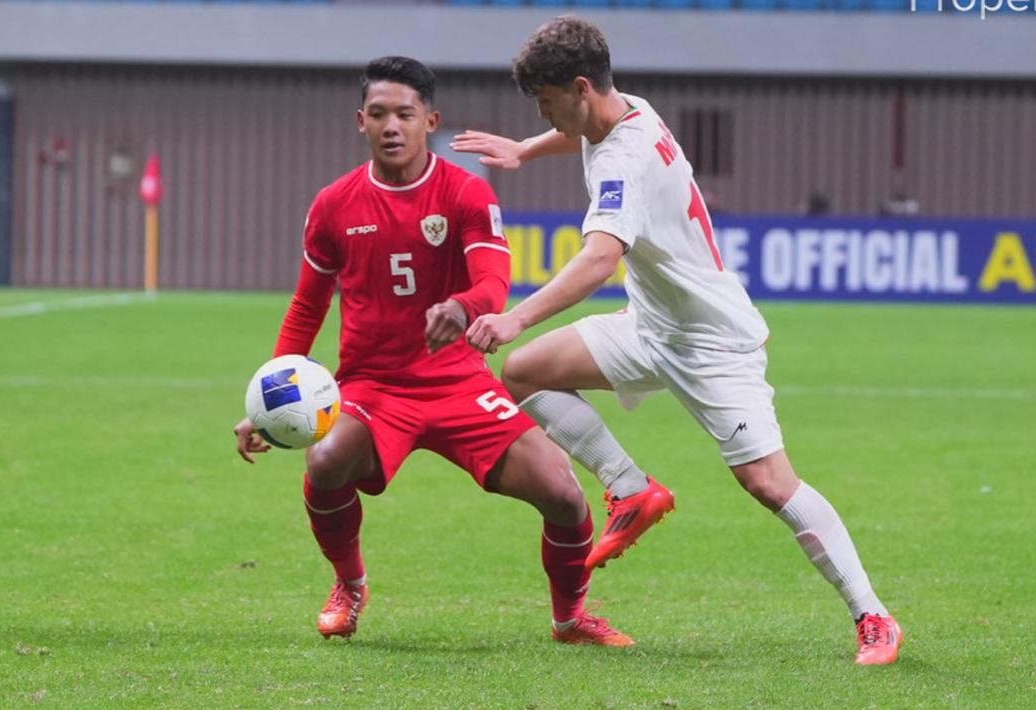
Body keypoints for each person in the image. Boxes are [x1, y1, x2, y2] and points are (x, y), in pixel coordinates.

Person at [453, 17, 902, 665]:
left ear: (580, 88)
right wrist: (527, 147)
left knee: (769, 484)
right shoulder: (623, 108)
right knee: (524, 374)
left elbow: (597, 262)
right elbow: (576, 132)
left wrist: (515, 317)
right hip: (649, 325)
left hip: (710, 341)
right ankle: (630, 488)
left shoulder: (622, 157)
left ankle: (873, 617)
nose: (545, 113)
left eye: (547, 102)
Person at [232, 56, 631, 647]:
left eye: (405, 114)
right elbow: (306, 308)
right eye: (378, 114)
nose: (391, 126)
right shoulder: (333, 205)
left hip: (460, 383)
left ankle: (570, 618)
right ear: (360, 122)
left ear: (430, 120)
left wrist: (464, 308)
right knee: (324, 461)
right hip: (372, 388)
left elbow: (495, 281)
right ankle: (350, 584)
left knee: (564, 491)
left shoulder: (464, 191)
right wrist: (264, 401)